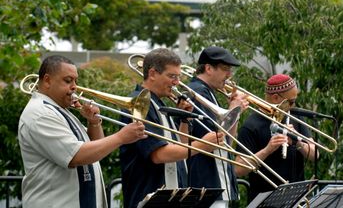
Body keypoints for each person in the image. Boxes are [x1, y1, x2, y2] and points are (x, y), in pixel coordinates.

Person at [18, 55, 146, 208]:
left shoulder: (60, 111)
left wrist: (94, 123)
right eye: (68, 80)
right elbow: (76, 156)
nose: (74, 87)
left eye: (75, 81)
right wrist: (121, 137)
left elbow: (95, 150)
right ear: (47, 80)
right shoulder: (41, 113)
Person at [119, 48, 224, 208]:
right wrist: (202, 145)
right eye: (171, 76)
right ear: (153, 73)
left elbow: (178, 149)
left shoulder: (158, 104)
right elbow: (158, 154)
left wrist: (184, 120)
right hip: (147, 199)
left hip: (171, 197)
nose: (176, 82)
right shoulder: (139, 104)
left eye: (178, 77)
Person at [235, 74, 318, 202]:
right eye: (291, 101)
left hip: (296, 198)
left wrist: (297, 141)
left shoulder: (295, 118)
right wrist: (267, 150)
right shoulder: (251, 125)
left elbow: (315, 155)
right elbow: (238, 169)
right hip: (264, 200)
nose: (293, 105)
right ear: (275, 97)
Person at [187, 46, 249, 207]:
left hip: (217, 182)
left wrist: (235, 112)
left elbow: (227, 141)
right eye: (225, 69)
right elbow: (213, 137)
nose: (229, 75)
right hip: (207, 183)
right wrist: (233, 109)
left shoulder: (208, 92)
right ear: (208, 68)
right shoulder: (198, 92)